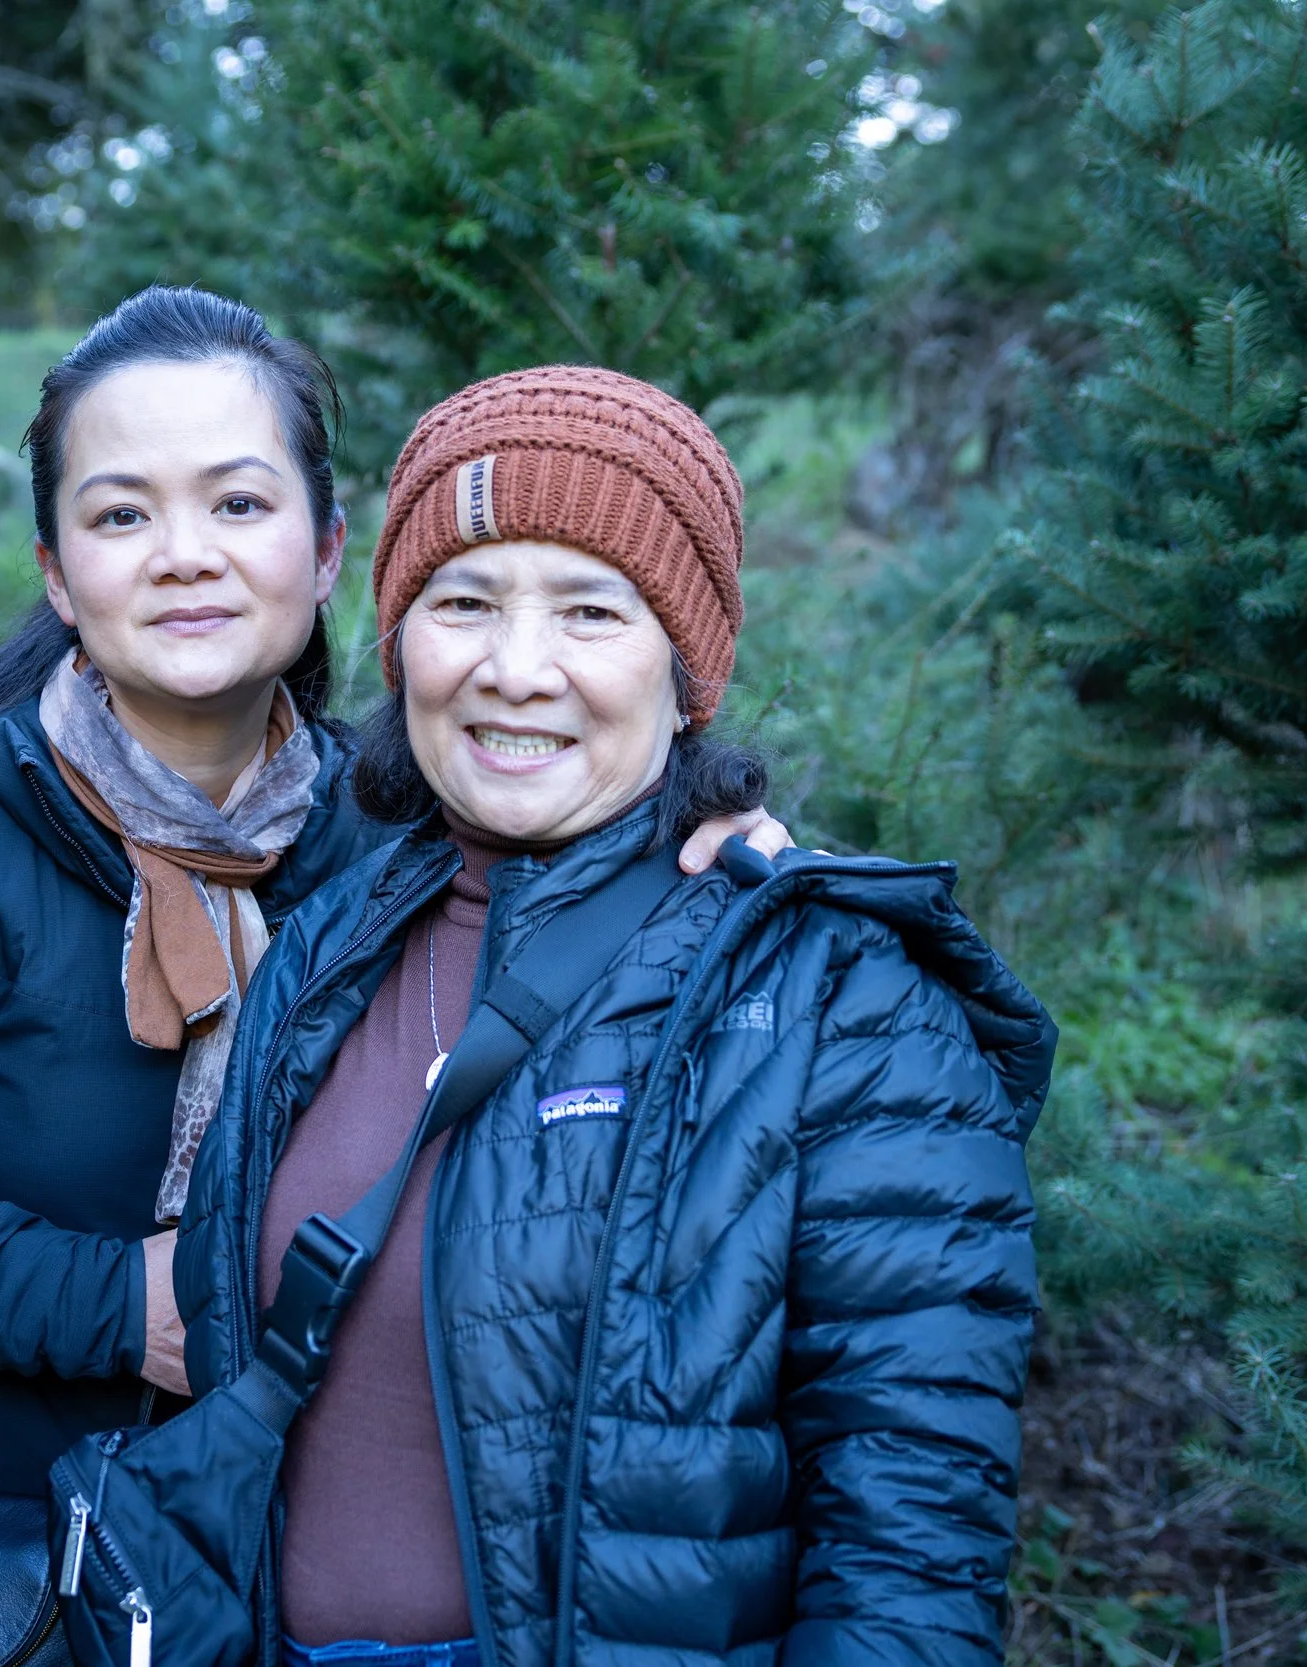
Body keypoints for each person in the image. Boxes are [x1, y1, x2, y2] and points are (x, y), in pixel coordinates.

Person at [0, 290, 787, 1615]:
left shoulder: (397, 839)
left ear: (329, 551)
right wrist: (125, 1300)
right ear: (55, 568)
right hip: (10, 1566)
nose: (183, 555)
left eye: (238, 503)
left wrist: (705, 812)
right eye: (120, 513)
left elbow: (590, 789)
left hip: (295, 1565)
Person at [177, 366, 1057, 1665]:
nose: (515, 668)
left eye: (592, 608)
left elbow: (909, 1560)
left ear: (685, 662)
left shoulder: (845, 1008)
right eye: (462, 600)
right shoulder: (329, 949)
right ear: (398, 634)